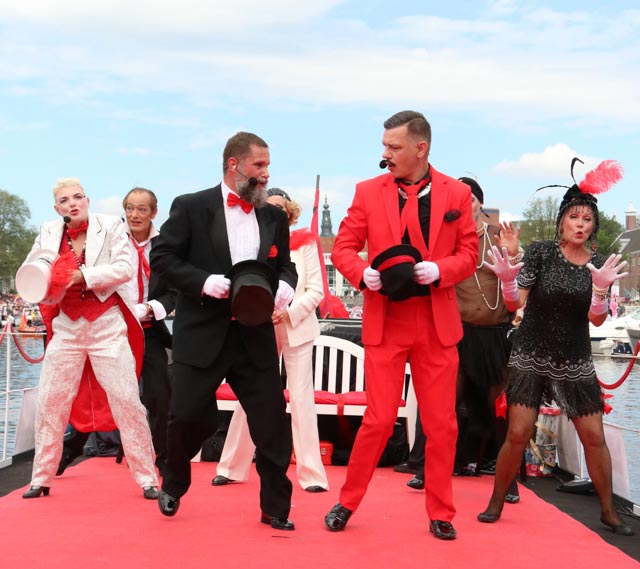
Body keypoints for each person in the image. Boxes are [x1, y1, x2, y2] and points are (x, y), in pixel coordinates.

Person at [325, 110, 478, 540]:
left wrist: (442, 270)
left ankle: (441, 512)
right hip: (387, 320)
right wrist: (362, 274)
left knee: (442, 425)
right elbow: (342, 248)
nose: (386, 153)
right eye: (385, 146)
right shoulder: (367, 191)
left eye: (393, 146)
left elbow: (469, 253)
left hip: (435, 322)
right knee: (377, 420)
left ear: (420, 148)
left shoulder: (457, 194)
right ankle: (346, 502)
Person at [150, 132, 298, 530]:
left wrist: (286, 285)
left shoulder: (273, 217)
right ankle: (173, 483)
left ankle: (275, 507)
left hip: (254, 336)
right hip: (202, 333)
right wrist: (202, 281)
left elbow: (285, 265)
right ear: (234, 165)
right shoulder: (191, 206)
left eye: (268, 166)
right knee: (185, 417)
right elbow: (162, 257)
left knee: (272, 423)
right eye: (259, 165)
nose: (266, 174)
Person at [477, 160, 634, 536]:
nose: (580, 224)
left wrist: (601, 289)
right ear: (562, 221)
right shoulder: (541, 253)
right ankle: (495, 501)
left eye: (587, 219)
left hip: (575, 358)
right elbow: (515, 303)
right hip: (531, 353)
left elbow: (597, 320)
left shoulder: (600, 265)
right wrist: (508, 278)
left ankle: (609, 511)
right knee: (518, 433)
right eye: (574, 217)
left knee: (593, 437)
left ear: (593, 226)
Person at [20, 178, 158, 499]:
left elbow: (124, 268)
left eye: (77, 197)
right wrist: (42, 280)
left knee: (127, 401)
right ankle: (41, 478)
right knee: (50, 402)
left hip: (107, 326)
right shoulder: (48, 232)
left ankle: (148, 479)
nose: (72, 203)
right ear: (57, 208)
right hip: (67, 327)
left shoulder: (110, 225)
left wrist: (82, 275)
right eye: (64, 200)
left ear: (87, 200)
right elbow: (30, 271)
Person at [405, 178, 521, 505]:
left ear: (480, 204)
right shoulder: (443, 240)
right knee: (442, 403)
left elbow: (517, 294)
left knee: (500, 408)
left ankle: (508, 478)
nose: (462, 205)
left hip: (494, 334)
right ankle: (426, 469)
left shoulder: (499, 237)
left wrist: (512, 257)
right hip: (455, 333)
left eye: (468, 199)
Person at [213, 188, 329, 492]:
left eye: (280, 208)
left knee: (302, 400)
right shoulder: (252, 242)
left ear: (289, 213)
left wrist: (288, 312)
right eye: (269, 207)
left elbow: (316, 291)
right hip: (259, 326)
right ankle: (231, 467)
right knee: (251, 396)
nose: (274, 213)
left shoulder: (306, 245)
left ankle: (312, 475)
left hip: (297, 327)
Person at [56, 187, 177, 479]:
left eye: (142, 209)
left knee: (159, 395)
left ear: (153, 213)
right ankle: (72, 448)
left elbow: (173, 292)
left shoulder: (166, 245)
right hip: (108, 328)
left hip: (148, 329)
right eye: (130, 208)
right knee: (99, 392)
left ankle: (163, 458)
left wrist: (147, 309)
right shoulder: (107, 237)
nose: (134, 215)